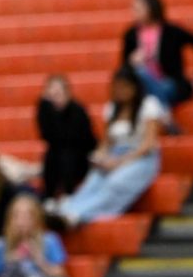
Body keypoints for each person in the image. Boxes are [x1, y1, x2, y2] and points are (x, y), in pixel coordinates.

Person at [50, 67, 165, 228]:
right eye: (117, 87)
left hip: (141, 158)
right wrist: (99, 157)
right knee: (93, 181)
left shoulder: (149, 106)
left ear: (134, 87)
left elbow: (148, 144)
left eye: (124, 86)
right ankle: (66, 211)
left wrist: (119, 162)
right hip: (115, 155)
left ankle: (81, 215)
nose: (120, 91)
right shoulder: (112, 108)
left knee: (115, 183)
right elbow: (105, 143)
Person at [121, 0, 193, 106]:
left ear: (151, 8)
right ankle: (164, 116)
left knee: (156, 93)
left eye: (138, 9)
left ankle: (160, 112)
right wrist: (131, 61)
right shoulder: (131, 34)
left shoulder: (171, 31)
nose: (134, 13)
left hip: (169, 82)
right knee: (142, 75)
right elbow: (123, 68)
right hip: (142, 84)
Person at [37, 74, 97, 200]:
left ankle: (69, 194)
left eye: (59, 92)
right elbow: (47, 136)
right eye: (52, 92)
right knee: (51, 155)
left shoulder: (78, 110)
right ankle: (49, 197)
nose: (55, 96)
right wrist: (49, 108)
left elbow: (81, 140)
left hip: (80, 155)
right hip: (57, 155)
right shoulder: (45, 109)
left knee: (66, 155)